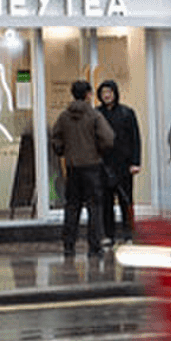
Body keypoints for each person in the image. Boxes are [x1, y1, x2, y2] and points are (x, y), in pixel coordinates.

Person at [50, 80, 114, 257]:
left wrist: (63, 151)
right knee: (94, 207)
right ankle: (94, 246)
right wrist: (99, 150)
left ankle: (69, 244)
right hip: (92, 167)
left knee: (72, 206)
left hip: (72, 168)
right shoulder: (94, 116)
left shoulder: (64, 117)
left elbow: (55, 138)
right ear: (88, 94)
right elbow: (108, 138)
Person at [96, 80, 141, 244]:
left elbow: (135, 139)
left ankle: (128, 234)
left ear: (115, 93)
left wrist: (135, 162)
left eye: (109, 92)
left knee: (126, 201)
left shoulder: (127, 113)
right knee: (106, 202)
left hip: (124, 165)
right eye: (103, 93)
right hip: (104, 165)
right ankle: (109, 235)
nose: (106, 95)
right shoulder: (97, 114)